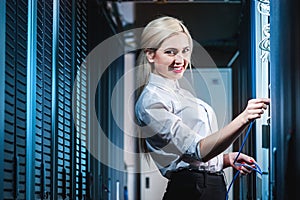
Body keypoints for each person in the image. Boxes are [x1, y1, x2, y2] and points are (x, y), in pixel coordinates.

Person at [134, 16, 270, 200]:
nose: (180, 59)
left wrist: (226, 159)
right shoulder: (151, 102)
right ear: (150, 54)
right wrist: (244, 117)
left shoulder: (181, 94)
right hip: (191, 190)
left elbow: (193, 157)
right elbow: (199, 151)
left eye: (185, 51)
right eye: (171, 52)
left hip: (208, 186)